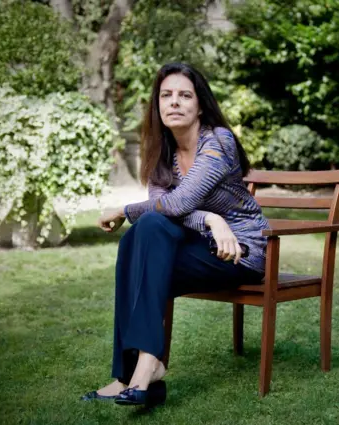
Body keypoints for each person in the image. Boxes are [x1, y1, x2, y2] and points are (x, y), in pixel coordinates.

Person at [80, 63, 270, 408]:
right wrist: (210, 219)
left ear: (200, 105)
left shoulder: (218, 141)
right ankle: (130, 376)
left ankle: (146, 368)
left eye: (185, 95)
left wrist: (125, 211)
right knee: (138, 238)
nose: (175, 102)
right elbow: (164, 208)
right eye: (166, 95)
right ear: (157, 105)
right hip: (202, 246)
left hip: (240, 252)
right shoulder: (162, 152)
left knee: (143, 231)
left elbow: (179, 202)